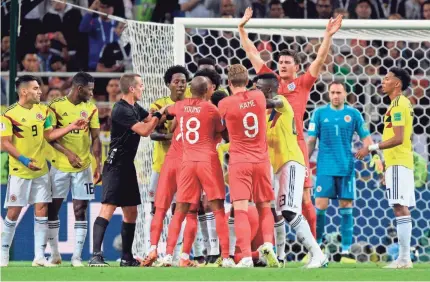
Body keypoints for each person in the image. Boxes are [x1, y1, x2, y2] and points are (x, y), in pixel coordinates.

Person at [238, 7, 343, 238]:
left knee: (305, 198)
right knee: (269, 198)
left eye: (287, 62)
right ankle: (276, 248)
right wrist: (242, 29)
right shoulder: (270, 81)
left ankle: (313, 247)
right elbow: (252, 53)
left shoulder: (303, 83)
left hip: (295, 145)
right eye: (280, 62)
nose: (282, 65)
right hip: (268, 144)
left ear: (296, 66)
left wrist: (327, 36)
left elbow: (320, 59)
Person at [0, 75, 86, 267]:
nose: (40, 92)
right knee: (13, 212)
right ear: (24, 91)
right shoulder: (8, 115)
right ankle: (3, 252)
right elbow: (4, 143)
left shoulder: (43, 111)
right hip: (20, 171)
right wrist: (23, 160)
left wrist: (71, 126)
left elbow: (49, 136)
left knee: (42, 210)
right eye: (36, 88)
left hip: (40, 170)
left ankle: (39, 256)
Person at [88, 73, 165, 267]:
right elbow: (145, 130)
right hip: (115, 165)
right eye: (140, 85)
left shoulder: (134, 107)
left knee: (131, 212)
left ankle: (126, 257)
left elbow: (149, 119)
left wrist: (163, 112)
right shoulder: (120, 109)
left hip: (128, 165)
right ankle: (95, 255)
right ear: (132, 88)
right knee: (107, 207)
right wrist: (158, 114)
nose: (143, 88)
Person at [158, 76, 235, 268]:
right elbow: (222, 133)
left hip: (187, 161)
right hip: (207, 161)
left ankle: (168, 255)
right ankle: (225, 257)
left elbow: (166, 111)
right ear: (207, 90)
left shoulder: (181, 106)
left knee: (181, 210)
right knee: (217, 208)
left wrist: (157, 115)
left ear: (191, 90)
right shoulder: (211, 109)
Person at [256, 73, 328, 268]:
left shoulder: (282, 102)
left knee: (289, 210)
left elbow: (274, 103)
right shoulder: (262, 113)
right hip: (276, 166)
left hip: (291, 162)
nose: (255, 92)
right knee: (276, 211)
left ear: (270, 89)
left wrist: (247, 102)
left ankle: (318, 254)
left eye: (259, 88)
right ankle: (279, 256)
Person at [307, 81, 383, 263]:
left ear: (346, 94)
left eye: (339, 93)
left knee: (346, 207)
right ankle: (317, 248)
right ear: (328, 94)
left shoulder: (353, 114)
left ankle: (346, 251)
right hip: (324, 166)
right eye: (332, 92)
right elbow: (311, 140)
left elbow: (366, 138)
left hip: (346, 166)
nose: (335, 96)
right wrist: (304, 163)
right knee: (320, 206)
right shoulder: (319, 113)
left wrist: (375, 158)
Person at [218, 64, 277, 268]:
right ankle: (268, 245)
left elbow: (219, 128)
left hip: (240, 161)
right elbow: (270, 103)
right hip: (261, 160)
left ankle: (244, 256)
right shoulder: (259, 97)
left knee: (241, 209)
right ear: (248, 81)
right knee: (265, 207)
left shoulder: (225, 103)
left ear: (228, 83)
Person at [356, 68, 414, 269]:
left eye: (387, 79)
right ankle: (404, 258)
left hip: (400, 162)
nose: (383, 81)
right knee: (399, 206)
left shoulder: (398, 105)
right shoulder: (397, 104)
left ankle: (404, 259)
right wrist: (387, 169)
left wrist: (370, 147)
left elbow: (398, 138)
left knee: (400, 207)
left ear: (397, 84)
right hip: (397, 163)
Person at [45, 72, 102, 267]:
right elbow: (50, 136)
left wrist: (98, 164)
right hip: (59, 166)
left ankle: (77, 257)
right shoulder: (56, 106)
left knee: (81, 209)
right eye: (90, 89)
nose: (92, 93)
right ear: (79, 89)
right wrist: (68, 153)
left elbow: (95, 138)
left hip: (83, 167)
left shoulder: (91, 109)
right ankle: (54, 254)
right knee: (53, 209)